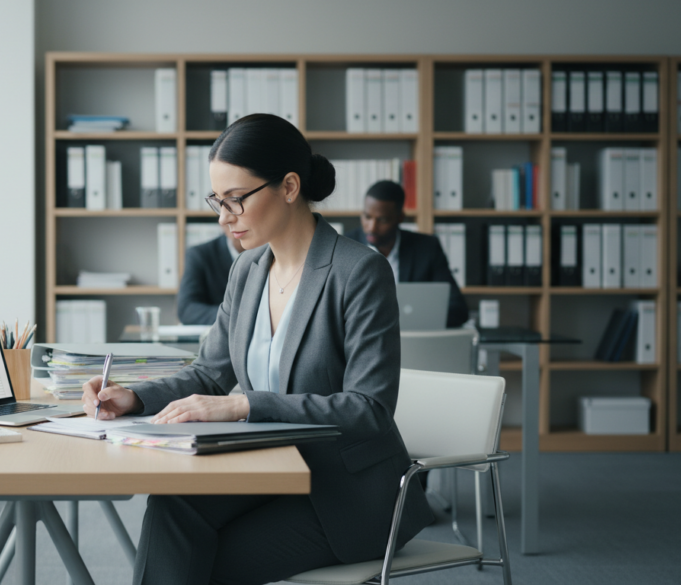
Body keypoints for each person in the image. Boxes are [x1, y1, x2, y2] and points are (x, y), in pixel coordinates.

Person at [81, 114, 433, 585]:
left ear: (289, 186)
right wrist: (135, 398)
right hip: (266, 469)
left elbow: (369, 409)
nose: (224, 217)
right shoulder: (247, 270)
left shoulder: (359, 272)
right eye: (217, 201)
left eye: (236, 200)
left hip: (345, 494)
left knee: (206, 560)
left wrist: (245, 405)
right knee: (172, 507)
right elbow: (208, 374)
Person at [347, 180, 469, 327]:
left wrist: (416, 321)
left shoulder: (427, 248)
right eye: (367, 217)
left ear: (400, 218)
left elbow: (458, 309)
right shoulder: (346, 246)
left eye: (382, 220)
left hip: (413, 340)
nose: (372, 227)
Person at [177, 231, 243, 325]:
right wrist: (238, 316)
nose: (224, 220)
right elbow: (187, 310)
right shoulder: (199, 254)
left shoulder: (268, 253)